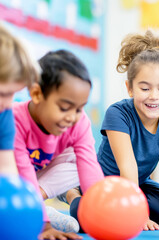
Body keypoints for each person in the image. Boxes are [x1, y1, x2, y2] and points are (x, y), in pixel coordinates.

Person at [97, 30, 159, 231]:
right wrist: (137, 214)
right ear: (130, 88)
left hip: (138, 184)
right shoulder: (117, 113)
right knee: (98, 212)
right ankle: (75, 194)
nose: (154, 97)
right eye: (145, 89)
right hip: (105, 184)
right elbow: (127, 166)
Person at [13, 49, 104, 239]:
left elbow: (89, 165)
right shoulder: (15, 121)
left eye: (80, 108)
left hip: (39, 177)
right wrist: (44, 227)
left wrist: (102, 214)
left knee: (78, 165)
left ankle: (38, 210)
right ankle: (42, 215)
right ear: (36, 94)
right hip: (13, 177)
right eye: (64, 108)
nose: (72, 117)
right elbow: (24, 173)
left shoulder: (79, 122)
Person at [0, 24, 38, 175]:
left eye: (13, 94)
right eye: (3, 94)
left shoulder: (4, 114)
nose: (9, 103)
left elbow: (7, 170)